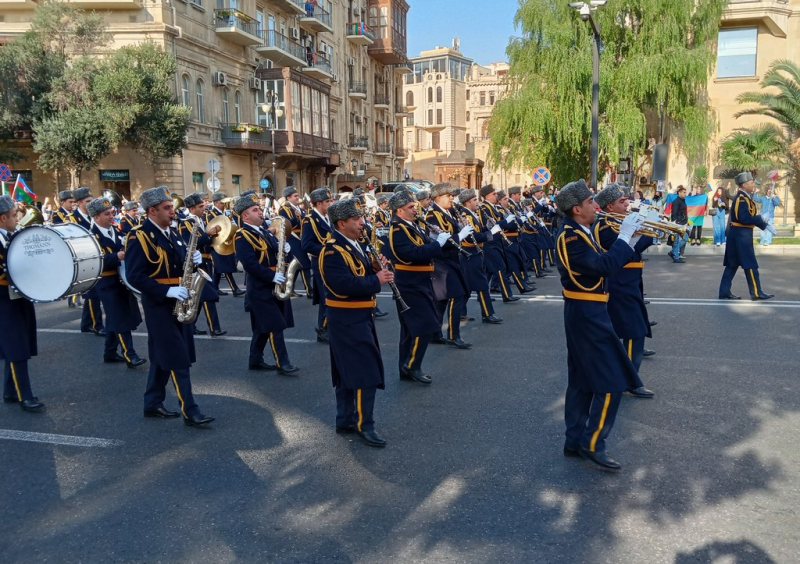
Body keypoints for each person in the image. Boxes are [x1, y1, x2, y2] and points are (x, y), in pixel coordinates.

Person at [554, 179, 650, 471]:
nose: (596, 206)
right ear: (576, 209)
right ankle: (592, 442)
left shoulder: (579, 231)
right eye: (589, 203)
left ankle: (574, 441)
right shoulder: (571, 237)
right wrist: (625, 238)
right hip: (587, 313)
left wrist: (628, 237)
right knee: (612, 382)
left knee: (582, 381)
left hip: (588, 310)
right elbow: (603, 266)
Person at [123, 186, 214, 427]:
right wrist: (167, 290)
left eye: (172, 207)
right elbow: (135, 275)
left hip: (181, 300)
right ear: (152, 211)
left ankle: (152, 402)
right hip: (159, 305)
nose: (172, 212)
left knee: (163, 355)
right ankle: (190, 411)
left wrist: (194, 261)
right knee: (177, 357)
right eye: (167, 208)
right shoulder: (138, 235)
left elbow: (179, 267)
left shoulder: (173, 233)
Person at [320, 199, 393, 447]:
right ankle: (365, 424)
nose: (363, 222)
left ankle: (345, 418)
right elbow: (341, 286)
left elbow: (357, 273)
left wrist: (374, 267)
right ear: (342, 223)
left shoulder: (354, 244)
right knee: (364, 371)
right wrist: (377, 280)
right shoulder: (331, 250)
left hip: (360, 315)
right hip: (347, 318)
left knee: (347, 370)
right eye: (357, 219)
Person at [592, 184, 656, 395]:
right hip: (620, 282)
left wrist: (651, 229)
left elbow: (635, 246)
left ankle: (630, 363)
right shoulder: (604, 225)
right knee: (633, 330)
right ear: (609, 206)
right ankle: (631, 380)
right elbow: (630, 249)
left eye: (626, 200)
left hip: (630, 280)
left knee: (633, 328)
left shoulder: (620, 222)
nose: (627, 203)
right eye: (622, 201)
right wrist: (649, 233)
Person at [233, 193, 300, 375]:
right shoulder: (242, 235)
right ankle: (283, 363)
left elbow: (276, 255)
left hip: (274, 282)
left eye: (260, 209)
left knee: (262, 327)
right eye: (255, 210)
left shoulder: (263, 230)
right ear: (245, 216)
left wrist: (285, 250)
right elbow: (249, 264)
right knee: (274, 325)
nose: (260, 212)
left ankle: (255, 359)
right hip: (260, 286)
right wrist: (271, 276)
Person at [388, 189, 449, 385]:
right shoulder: (398, 229)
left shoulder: (412, 225)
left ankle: (405, 368)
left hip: (420, 281)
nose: (416, 209)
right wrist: (437, 244)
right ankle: (412, 365)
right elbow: (411, 254)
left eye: (414, 206)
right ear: (399, 211)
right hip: (410, 283)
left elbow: (422, 246)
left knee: (409, 329)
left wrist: (436, 240)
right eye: (410, 207)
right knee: (425, 325)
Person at [87, 197, 147, 369]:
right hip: (105, 282)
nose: (111, 216)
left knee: (117, 316)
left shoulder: (116, 231)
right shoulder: (91, 236)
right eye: (107, 214)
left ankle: (110, 352)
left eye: (112, 213)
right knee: (119, 317)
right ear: (96, 217)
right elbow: (93, 261)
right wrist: (115, 256)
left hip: (121, 280)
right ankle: (130, 355)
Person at [0, 195, 44, 412]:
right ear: (2, 218)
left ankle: (9, 390)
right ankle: (23, 395)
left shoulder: (14, 236)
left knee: (18, 344)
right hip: (3, 302)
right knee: (16, 347)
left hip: (19, 298)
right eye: (14, 215)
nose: (18, 219)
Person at [425, 183, 473, 349]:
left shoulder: (449, 211)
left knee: (442, 299)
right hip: (442, 260)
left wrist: (462, 225)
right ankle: (453, 335)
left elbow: (452, 230)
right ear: (438, 197)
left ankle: (434, 332)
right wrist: (460, 235)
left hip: (452, 259)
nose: (452, 198)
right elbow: (440, 239)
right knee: (457, 295)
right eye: (448, 195)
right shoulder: (432, 215)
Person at [718, 172, 776, 301]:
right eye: (751, 183)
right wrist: (760, 219)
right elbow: (743, 218)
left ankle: (724, 291)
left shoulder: (745, 197)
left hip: (739, 234)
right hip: (741, 235)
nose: (753, 184)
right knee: (750, 264)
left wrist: (761, 221)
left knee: (732, 264)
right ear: (744, 185)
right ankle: (756, 292)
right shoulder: (741, 198)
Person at [177, 193, 226, 337]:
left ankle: (189, 325)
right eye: (200, 207)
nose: (203, 209)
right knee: (208, 295)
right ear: (192, 208)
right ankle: (214, 328)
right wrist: (208, 234)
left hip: (206, 261)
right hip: (196, 264)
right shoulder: (185, 222)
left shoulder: (199, 220)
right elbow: (190, 244)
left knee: (198, 297)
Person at [457, 188, 503, 323]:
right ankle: (487, 314)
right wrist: (491, 234)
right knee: (482, 285)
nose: (477, 202)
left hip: (476, 253)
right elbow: (472, 237)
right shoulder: (465, 215)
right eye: (474, 200)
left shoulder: (472, 214)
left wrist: (487, 228)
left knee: (468, 286)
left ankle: (460, 313)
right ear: (467, 202)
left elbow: (479, 230)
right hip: (470, 253)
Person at [70, 187, 106, 335]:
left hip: (96, 256)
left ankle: (86, 324)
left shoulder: (93, 216)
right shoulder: (72, 219)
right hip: (83, 258)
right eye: (88, 201)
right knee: (93, 294)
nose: (91, 204)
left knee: (92, 292)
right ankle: (96, 325)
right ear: (79, 203)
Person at [301, 187, 334, 343]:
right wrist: (328, 250)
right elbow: (306, 244)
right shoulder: (310, 219)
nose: (330, 203)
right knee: (328, 295)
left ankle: (324, 327)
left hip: (329, 261)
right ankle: (323, 329)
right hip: (320, 261)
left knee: (325, 296)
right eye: (327, 201)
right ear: (319, 203)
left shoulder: (327, 217)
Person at [478, 185, 520, 303]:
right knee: (500, 268)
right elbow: (489, 224)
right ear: (487, 196)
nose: (496, 195)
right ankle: (506, 295)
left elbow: (499, 221)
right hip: (490, 242)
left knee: (489, 271)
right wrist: (505, 221)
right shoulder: (484, 208)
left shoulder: (493, 207)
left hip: (497, 241)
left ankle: (482, 294)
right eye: (494, 194)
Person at [205, 192, 245, 297]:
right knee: (224, 267)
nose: (224, 205)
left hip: (224, 242)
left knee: (219, 268)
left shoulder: (223, 213)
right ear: (216, 202)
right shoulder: (211, 214)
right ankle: (235, 289)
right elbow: (211, 229)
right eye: (222, 203)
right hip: (216, 244)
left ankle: (215, 288)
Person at [278, 186, 313, 297]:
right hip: (292, 239)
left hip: (300, 239)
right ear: (288, 197)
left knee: (298, 265)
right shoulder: (284, 209)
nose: (298, 198)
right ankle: (309, 290)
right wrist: (296, 218)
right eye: (295, 196)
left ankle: (290, 288)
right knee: (304, 264)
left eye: (298, 195)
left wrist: (301, 216)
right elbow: (286, 225)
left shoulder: (297, 208)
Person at [669, 186, 689, 263]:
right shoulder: (676, 202)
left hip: (683, 223)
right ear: (679, 193)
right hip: (678, 223)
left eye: (685, 192)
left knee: (685, 238)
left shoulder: (682, 200)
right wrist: (675, 223)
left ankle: (673, 252)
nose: (685, 194)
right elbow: (674, 213)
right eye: (683, 192)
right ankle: (676, 257)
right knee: (678, 240)